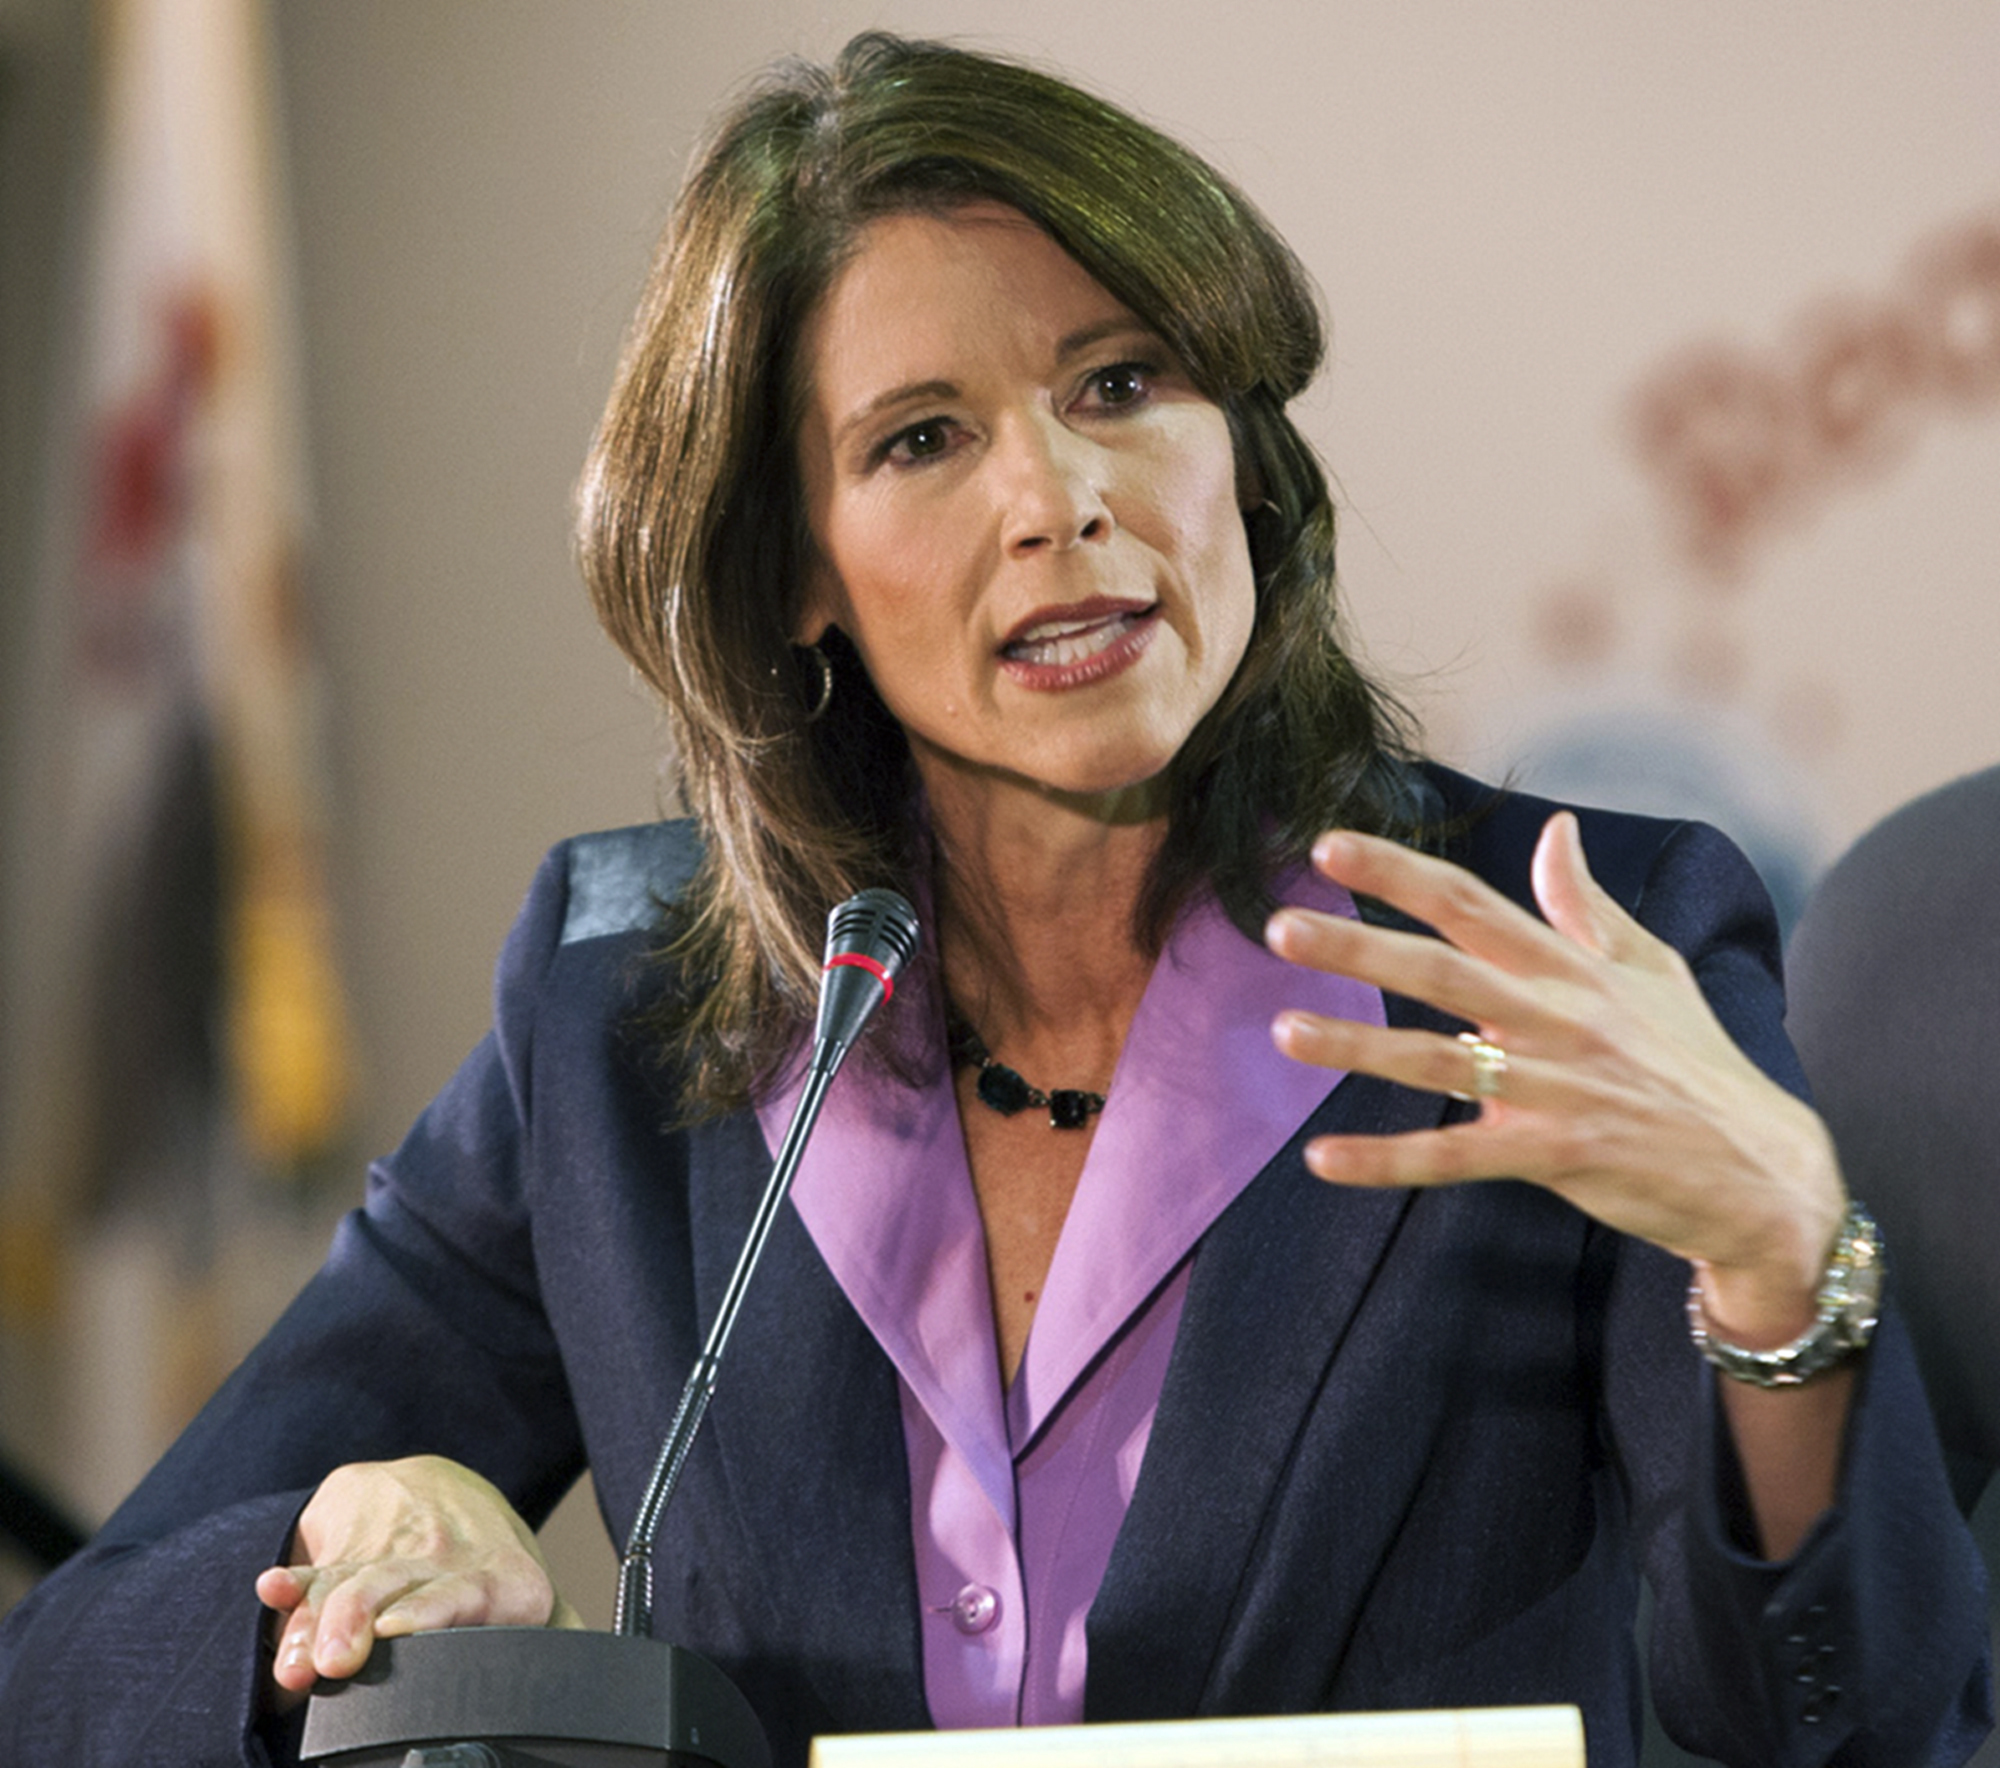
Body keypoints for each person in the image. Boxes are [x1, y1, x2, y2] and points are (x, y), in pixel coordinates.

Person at [0, 31, 1988, 1768]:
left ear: (1245, 457)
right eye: (922, 439)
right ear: (795, 566)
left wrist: (1775, 1257)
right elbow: (73, 1666)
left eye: (1122, 383)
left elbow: (1855, 1725)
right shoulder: (615, 1011)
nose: (1058, 496)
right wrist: (360, 1539)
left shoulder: (1561, 944)